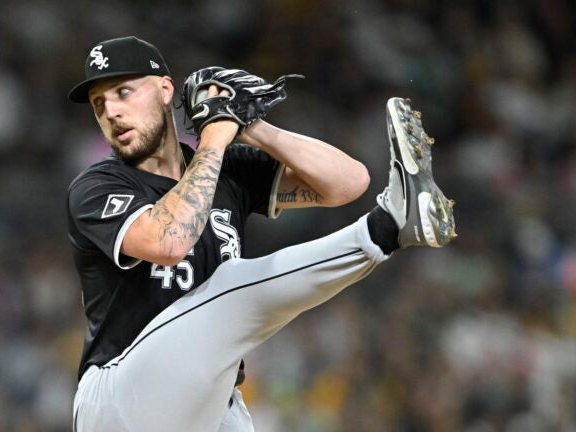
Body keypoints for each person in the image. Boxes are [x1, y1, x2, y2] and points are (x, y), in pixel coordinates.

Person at [66, 36, 455, 432]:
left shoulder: (229, 169)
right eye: (99, 104)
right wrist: (216, 138)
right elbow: (168, 243)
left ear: (165, 89)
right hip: (123, 394)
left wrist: (252, 127)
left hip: (210, 404)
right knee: (228, 284)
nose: (111, 111)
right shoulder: (97, 187)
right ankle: (386, 226)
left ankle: (392, 219)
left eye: (123, 92)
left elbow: (349, 182)